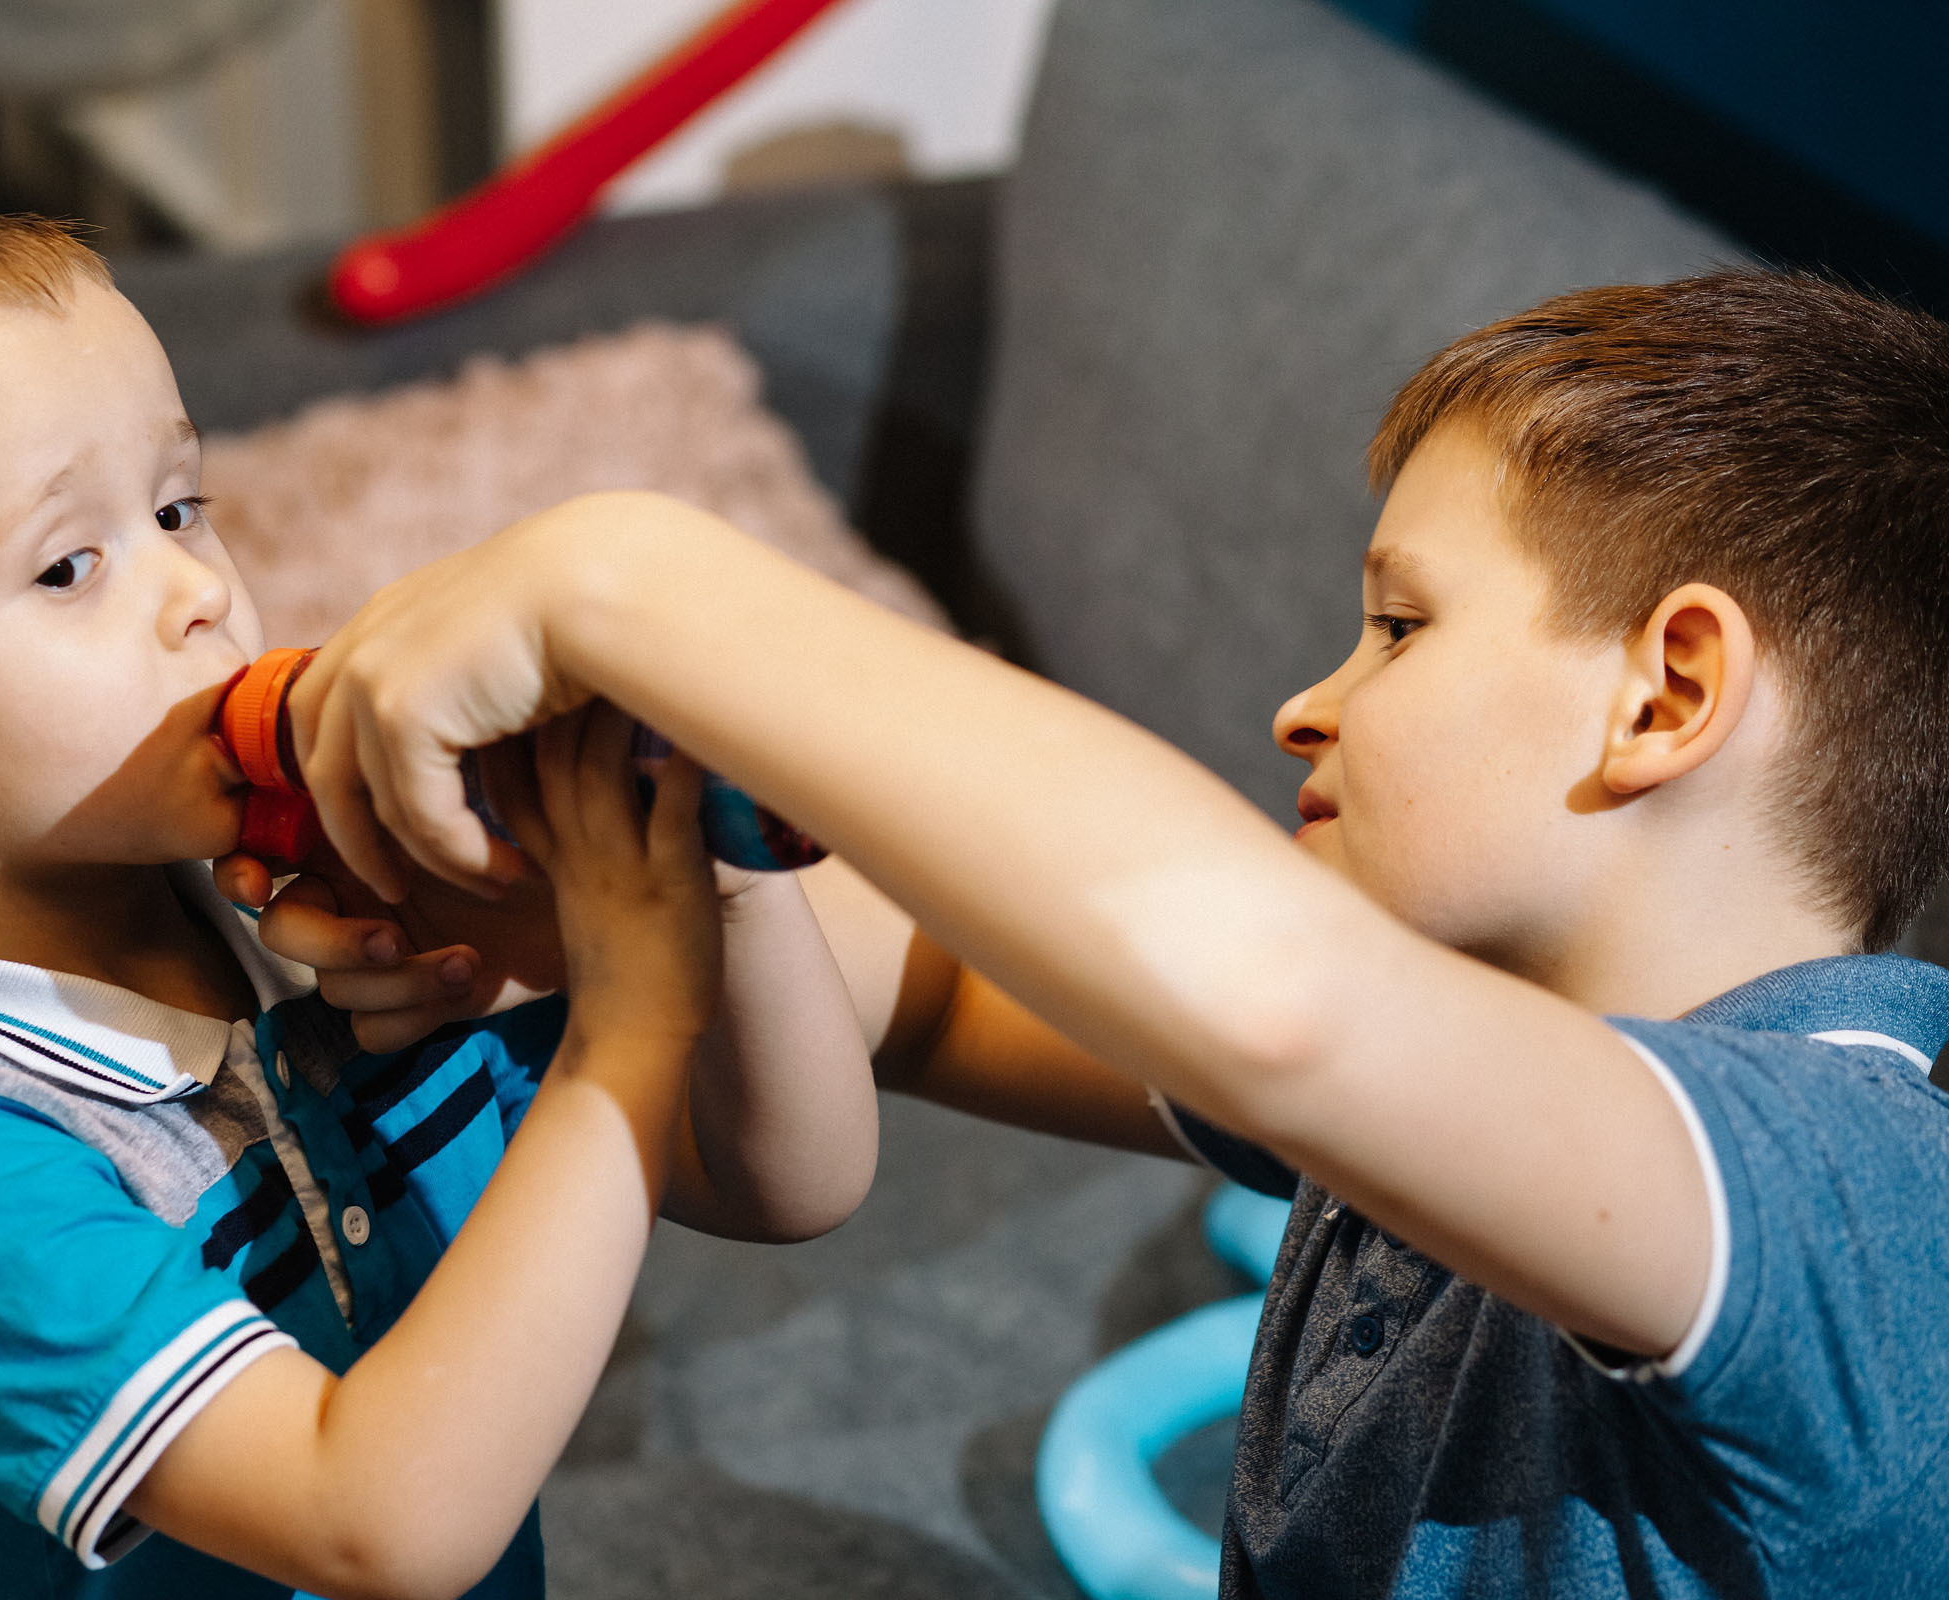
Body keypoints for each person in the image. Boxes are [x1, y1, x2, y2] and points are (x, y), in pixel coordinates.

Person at [251, 270, 1949, 1595]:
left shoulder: (1858, 1190)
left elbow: (1267, 997)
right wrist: (607, 883)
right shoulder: (1461, 1070)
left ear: (1668, 693)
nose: (1306, 704)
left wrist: (613, 577)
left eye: (1397, 626)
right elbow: (922, 995)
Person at [0, 184, 879, 1600]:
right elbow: (381, 1522)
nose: (197, 589)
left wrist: (701, 876)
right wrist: (630, 1022)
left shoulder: (319, 918)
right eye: (72, 563)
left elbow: (790, 1177)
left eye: (182, 505)